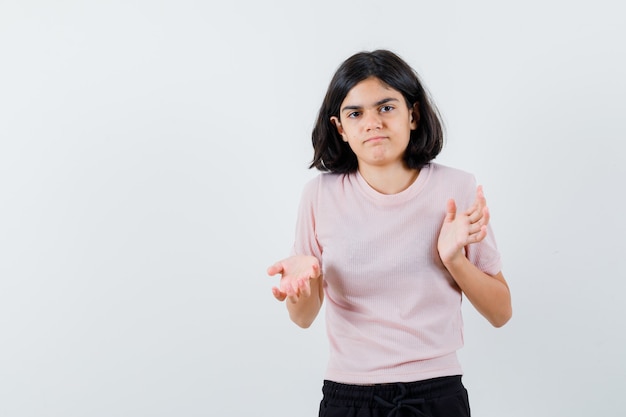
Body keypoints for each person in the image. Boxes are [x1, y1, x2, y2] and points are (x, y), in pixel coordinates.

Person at [267, 49, 512, 417]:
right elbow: (302, 318)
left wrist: (453, 260)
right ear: (340, 128)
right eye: (355, 113)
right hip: (349, 396)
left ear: (412, 115)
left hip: (437, 393)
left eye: (386, 108)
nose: (372, 122)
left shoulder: (457, 189)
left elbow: (501, 312)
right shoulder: (319, 195)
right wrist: (300, 289)